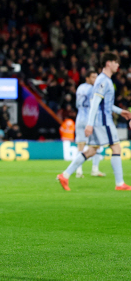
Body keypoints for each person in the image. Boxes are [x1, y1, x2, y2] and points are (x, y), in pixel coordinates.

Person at [57, 53, 131, 191]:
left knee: (91, 150)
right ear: (108, 63)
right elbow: (95, 103)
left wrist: (121, 111)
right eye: (116, 62)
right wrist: (90, 124)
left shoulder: (104, 80)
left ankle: (65, 175)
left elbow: (105, 104)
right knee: (116, 148)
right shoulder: (103, 81)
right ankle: (120, 183)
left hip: (100, 121)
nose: (118, 65)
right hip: (103, 122)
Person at [72, 71, 106, 177]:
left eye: (96, 77)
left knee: (80, 146)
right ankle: (95, 169)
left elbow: (77, 104)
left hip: (79, 118)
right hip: (90, 119)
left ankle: (78, 171)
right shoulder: (93, 89)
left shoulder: (80, 88)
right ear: (87, 78)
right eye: (93, 77)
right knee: (97, 144)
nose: (95, 79)